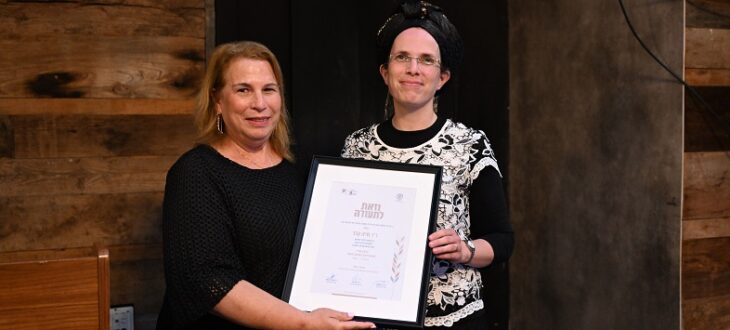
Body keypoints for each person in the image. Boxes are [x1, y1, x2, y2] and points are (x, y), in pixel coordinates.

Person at [157, 41, 375, 330]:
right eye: (243, 89)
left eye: (269, 89)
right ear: (218, 101)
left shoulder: (297, 173)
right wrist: (304, 323)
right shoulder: (195, 173)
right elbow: (207, 280)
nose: (259, 103)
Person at [341, 2, 514, 329]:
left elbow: (503, 240)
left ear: (442, 77)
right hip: (376, 320)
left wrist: (465, 250)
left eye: (427, 60)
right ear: (385, 71)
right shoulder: (357, 146)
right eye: (402, 57)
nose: (413, 69)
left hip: (456, 320)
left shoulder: (469, 145)